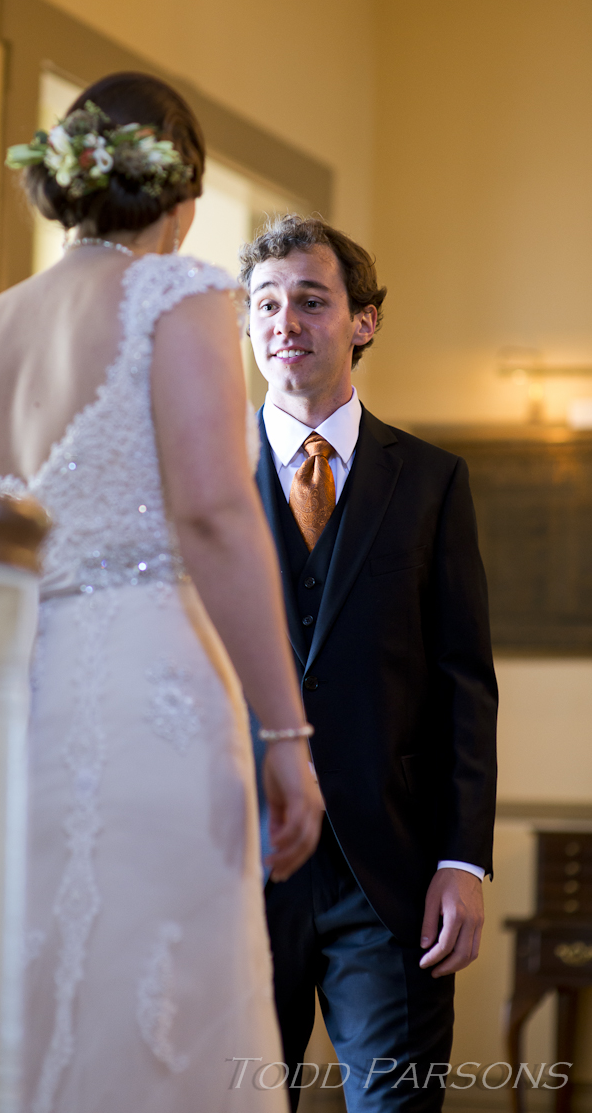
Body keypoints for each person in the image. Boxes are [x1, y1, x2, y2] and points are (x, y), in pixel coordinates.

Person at [0, 74, 322, 1112]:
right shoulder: (176, 297)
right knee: (154, 1010)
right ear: (179, 195)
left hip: (8, 716)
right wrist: (286, 732)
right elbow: (216, 516)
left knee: (19, 1000)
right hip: (147, 697)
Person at [241, 215, 498, 1112]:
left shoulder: (431, 481)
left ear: (363, 321)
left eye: (311, 301)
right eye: (265, 304)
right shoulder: (197, 480)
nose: (285, 322)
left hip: (389, 880)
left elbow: (464, 683)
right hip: (237, 868)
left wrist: (463, 861)